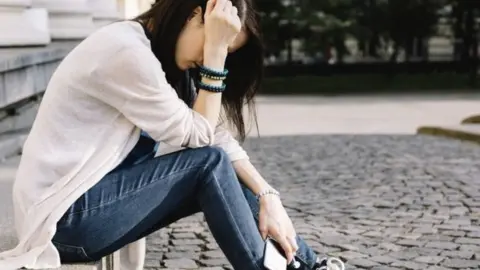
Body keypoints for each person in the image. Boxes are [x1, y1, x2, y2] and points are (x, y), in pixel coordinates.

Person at [0, 0, 345, 269]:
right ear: (193, 15)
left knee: (222, 169)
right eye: (218, 42)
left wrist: (269, 196)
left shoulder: (160, 60)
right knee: (208, 164)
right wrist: (213, 59)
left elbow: (217, 137)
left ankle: (305, 264)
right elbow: (200, 141)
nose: (217, 56)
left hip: (87, 208)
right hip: (64, 221)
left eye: (226, 50)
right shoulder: (125, 51)